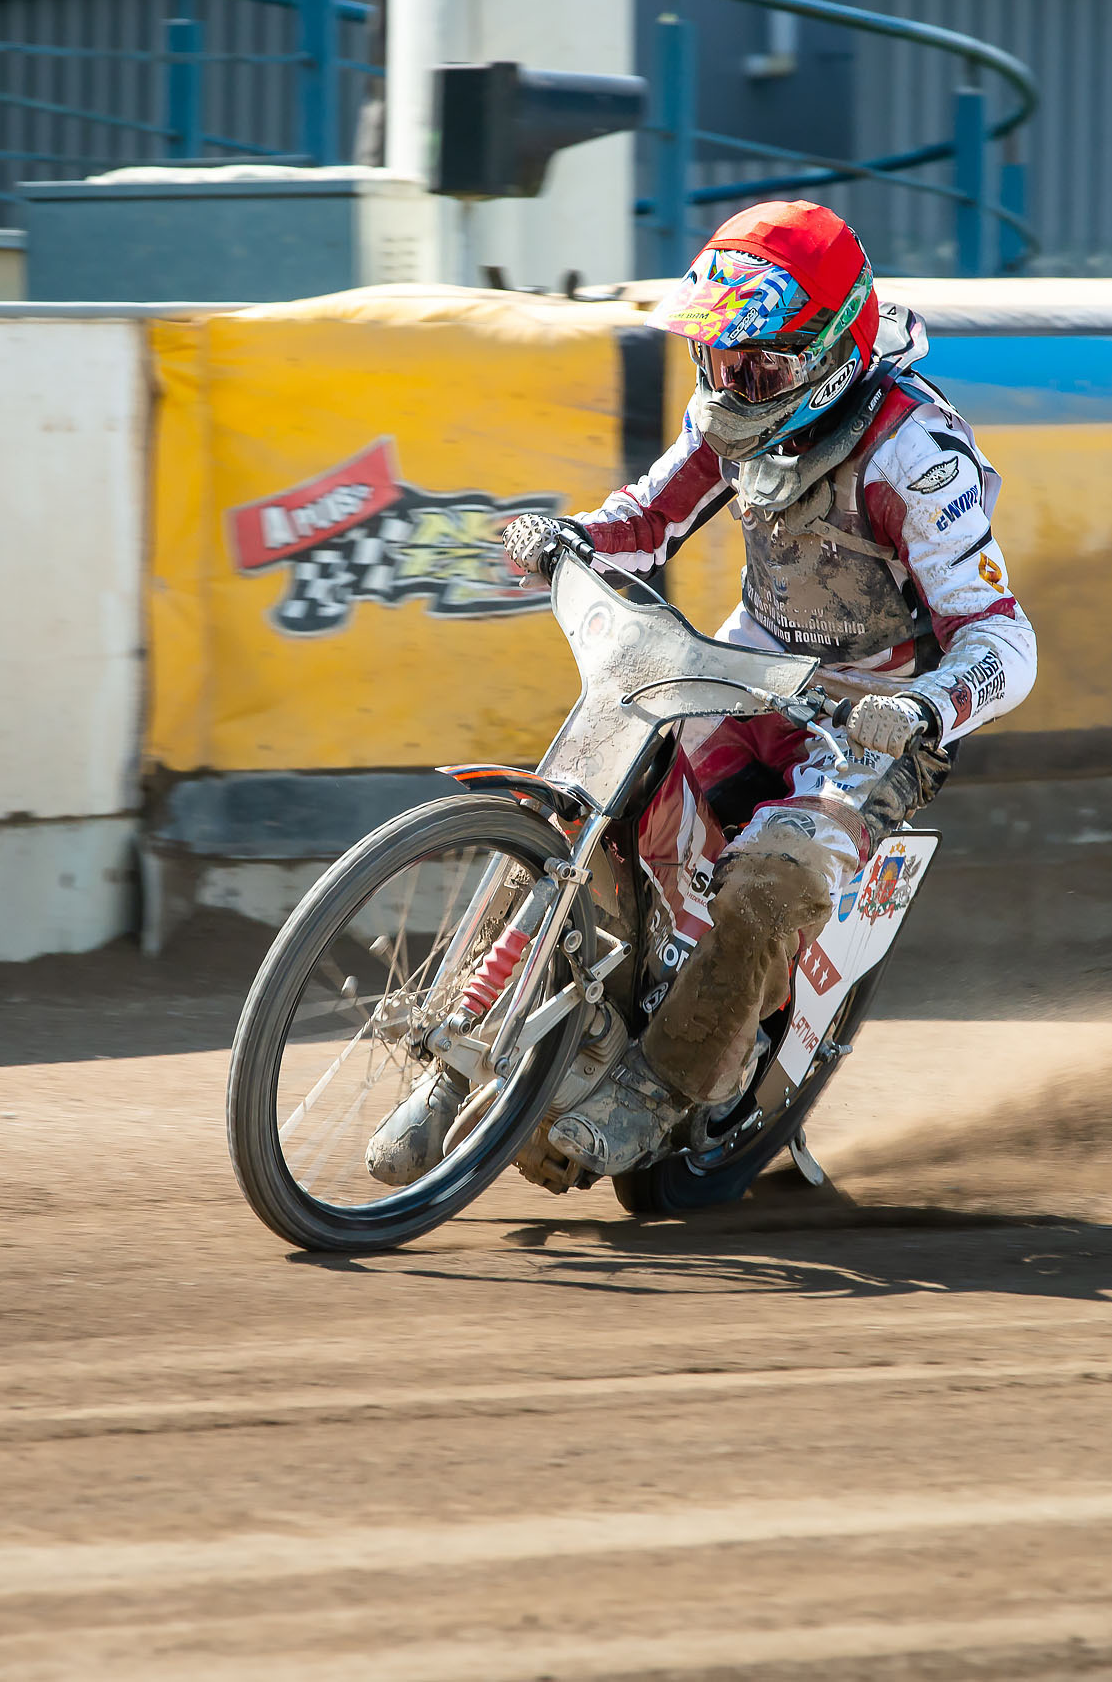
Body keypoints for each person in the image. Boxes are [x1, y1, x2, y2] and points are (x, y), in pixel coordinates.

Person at [371, 200, 1036, 1189]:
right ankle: (468, 1038)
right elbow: (648, 518)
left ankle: (654, 1088)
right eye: (719, 359)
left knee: (769, 886)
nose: (732, 384)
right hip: (742, 665)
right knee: (595, 786)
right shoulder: (731, 409)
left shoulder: (914, 456)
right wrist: (573, 539)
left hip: (868, 711)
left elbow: (1001, 637)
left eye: (758, 366)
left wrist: (930, 708)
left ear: (830, 352)